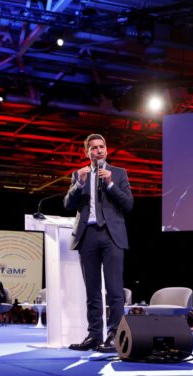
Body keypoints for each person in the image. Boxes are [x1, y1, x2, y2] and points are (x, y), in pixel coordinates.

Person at [64, 133, 134, 352]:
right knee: (92, 291)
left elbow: (128, 205)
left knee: (114, 291)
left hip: (112, 236)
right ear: (87, 152)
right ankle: (94, 336)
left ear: (107, 149)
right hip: (88, 236)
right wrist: (79, 185)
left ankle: (114, 336)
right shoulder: (79, 174)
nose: (98, 150)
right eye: (93, 148)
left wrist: (111, 184)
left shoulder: (119, 173)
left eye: (101, 146)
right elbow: (67, 204)